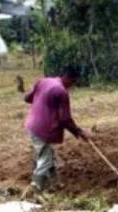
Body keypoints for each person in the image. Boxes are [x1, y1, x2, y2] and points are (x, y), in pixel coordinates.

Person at [23, 66, 90, 194]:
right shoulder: (61, 92)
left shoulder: (44, 81)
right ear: (69, 78)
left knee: (47, 154)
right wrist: (78, 132)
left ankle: (54, 184)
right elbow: (65, 119)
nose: (72, 86)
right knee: (45, 160)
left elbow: (28, 98)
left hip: (32, 125)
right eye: (73, 82)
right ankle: (35, 189)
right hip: (42, 129)